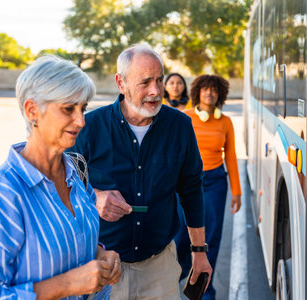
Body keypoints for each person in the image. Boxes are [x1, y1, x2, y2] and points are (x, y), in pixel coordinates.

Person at [0, 55, 121, 300]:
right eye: (69, 108)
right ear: (32, 110)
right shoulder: (1, 197)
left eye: (83, 108)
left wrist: (100, 255)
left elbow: (74, 242)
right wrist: (65, 285)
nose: (80, 121)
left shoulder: (76, 173)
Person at [69, 44, 212, 300]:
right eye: (145, 82)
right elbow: (61, 186)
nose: (156, 91)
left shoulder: (180, 126)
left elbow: (191, 189)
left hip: (160, 267)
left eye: (159, 79)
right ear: (120, 83)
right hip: (100, 266)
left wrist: (199, 252)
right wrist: (95, 198)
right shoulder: (89, 126)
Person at [176, 74, 242, 300]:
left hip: (214, 182)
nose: (209, 93)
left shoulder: (226, 122)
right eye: (205, 89)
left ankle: (204, 290)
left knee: (210, 239)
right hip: (185, 181)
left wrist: (236, 191)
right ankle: (181, 275)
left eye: (214, 90)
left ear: (220, 94)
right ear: (197, 92)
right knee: (180, 237)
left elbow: (231, 157)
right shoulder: (184, 118)